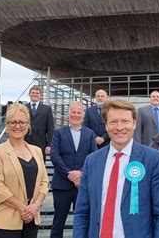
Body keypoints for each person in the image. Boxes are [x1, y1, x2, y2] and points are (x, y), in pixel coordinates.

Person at [73, 99, 159, 238]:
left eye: (125, 121)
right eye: (113, 122)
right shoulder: (92, 161)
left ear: (134, 123)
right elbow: (82, 213)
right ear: (106, 126)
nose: (119, 127)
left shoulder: (153, 159)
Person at [0, 103, 49, 238]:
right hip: (4, 221)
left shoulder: (37, 151)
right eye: (13, 122)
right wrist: (23, 208)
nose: (18, 126)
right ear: (7, 126)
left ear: (28, 125)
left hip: (31, 220)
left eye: (22, 122)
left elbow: (44, 182)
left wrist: (36, 206)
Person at [50, 101, 98, 238]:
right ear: (69, 114)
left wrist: (81, 173)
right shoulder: (59, 132)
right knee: (58, 221)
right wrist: (69, 174)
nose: (76, 115)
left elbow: (93, 155)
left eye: (79, 112)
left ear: (82, 115)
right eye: (73, 112)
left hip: (82, 185)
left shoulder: (90, 134)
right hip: (62, 184)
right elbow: (54, 155)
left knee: (83, 221)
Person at [25, 85, 54, 161]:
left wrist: (49, 145)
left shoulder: (47, 109)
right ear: (29, 94)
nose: (35, 94)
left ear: (40, 96)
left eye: (37, 93)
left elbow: (50, 128)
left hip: (41, 144)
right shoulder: (23, 108)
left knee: (40, 165)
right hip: (25, 142)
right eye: (33, 93)